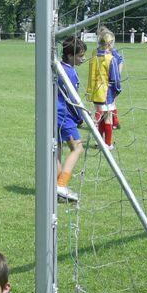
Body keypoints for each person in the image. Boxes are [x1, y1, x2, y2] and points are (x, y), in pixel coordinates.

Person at [56, 36, 86, 202]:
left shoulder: (57, 66)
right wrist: (79, 117)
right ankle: (61, 185)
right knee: (77, 148)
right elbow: (73, 99)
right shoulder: (69, 73)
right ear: (69, 56)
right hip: (65, 114)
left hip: (53, 112)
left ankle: (58, 186)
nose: (83, 59)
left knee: (57, 149)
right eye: (80, 56)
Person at [86, 29, 122, 150]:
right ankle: (107, 143)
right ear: (110, 43)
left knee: (100, 116)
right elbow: (115, 78)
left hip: (95, 91)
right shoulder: (110, 59)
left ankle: (99, 141)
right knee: (108, 117)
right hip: (107, 92)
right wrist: (118, 89)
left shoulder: (93, 55)